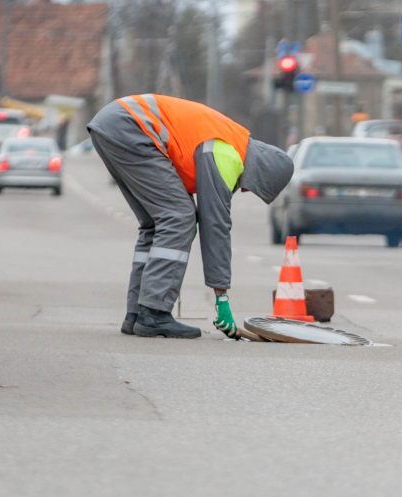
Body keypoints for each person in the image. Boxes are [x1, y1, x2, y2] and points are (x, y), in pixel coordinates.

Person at [87, 94, 294, 339]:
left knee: (157, 223)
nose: (247, 189)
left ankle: (137, 313)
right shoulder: (227, 156)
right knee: (179, 216)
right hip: (132, 127)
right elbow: (215, 226)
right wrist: (222, 298)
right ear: (261, 173)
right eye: (254, 186)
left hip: (116, 124)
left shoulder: (229, 142)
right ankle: (154, 312)